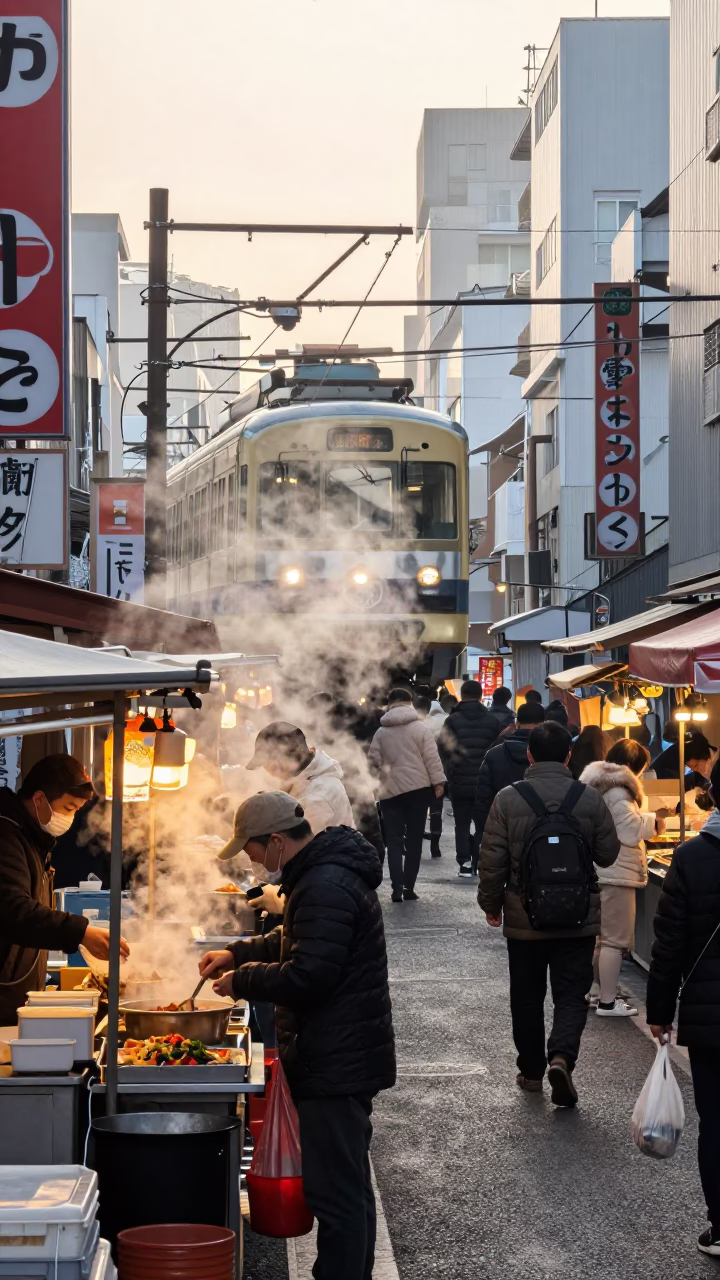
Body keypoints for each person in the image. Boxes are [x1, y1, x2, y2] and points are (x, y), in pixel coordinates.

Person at [199, 791, 395, 1280]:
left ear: (279, 841)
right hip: (337, 1052)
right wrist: (239, 953)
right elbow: (299, 938)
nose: (252, 859)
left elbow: (309, 974)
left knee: (336, 1194)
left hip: (335, 1058)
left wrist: (243, 980)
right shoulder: (320, 875)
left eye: (254, 849)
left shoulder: (325, 883)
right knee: (346, 1188)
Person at [478, 721, 620, 1106]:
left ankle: (531, 1072)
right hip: (578, 918)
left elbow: (492, 861)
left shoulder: (508, 799)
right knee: (571, 995)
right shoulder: (587, 797)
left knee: (526, 996)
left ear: (529, 755)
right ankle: (561, 1056)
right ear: (569, 756)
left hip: (525, 917)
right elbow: (608, 854)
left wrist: (491, 905)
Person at [646, 757, 720, 1258]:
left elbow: (668, 942)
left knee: (716, 1122)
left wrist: (659, 1009)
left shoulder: (692, 858)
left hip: (710, 1016)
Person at [0, 755, 130, 1024]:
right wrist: (81, 932)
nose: (70, 817)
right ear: (38, 799)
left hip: (15, 996)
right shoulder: (5, 836)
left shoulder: (33, 839)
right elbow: (14, 910)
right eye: (68, 807)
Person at [581, 739, 668, 1017]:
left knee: (601, 938)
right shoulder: (619, 790)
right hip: (615, 872)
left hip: (599, 869)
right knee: (614, 941)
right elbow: (629, 830)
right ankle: (608, 1001)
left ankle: (598, 992)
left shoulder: (598, 783)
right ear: (633, 766)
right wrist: (655, 820)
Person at [368, 689, 445, 901]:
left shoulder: (381, 732)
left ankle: (396, 888)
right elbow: (431, 757)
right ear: (409, 703)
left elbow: (373, 762)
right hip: (418, 790)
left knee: (393, 840)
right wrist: (438, 783)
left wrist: (376, 786)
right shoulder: (420, 728)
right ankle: (409, 887)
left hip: (390, 791)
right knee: (414, 840)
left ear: (389, 704)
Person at [439, 680, 499, 878]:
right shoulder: (492, 721)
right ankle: (481, 860)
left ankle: (464, 863)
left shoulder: (452, 721)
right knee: (484, 824)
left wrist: (449, 773)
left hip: (459, 781)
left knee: (462, 823)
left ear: (461, 696)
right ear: (481, 696)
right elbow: (498, 750)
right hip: (485, 783)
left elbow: (443, 750)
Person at [246, 721, 354, 831]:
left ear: (294, 754)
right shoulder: (301, 779)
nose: (270, 773)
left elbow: (297, 843)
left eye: (272, 765)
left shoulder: (320, 795)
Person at [475, 701, 546, 840]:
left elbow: (483, 799)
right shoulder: (551, 752)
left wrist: (485, 830)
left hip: (502, 829)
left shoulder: (494, 754)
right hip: (541, 833)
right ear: (544, 723)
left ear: (517, 722)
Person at [415, 695, 444, 857]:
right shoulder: (441, 723)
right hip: (436, 770)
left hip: (417, 774)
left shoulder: (413, 726)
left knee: (417, 811)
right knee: (436, 810)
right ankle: (435, 844)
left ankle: (416, 843)